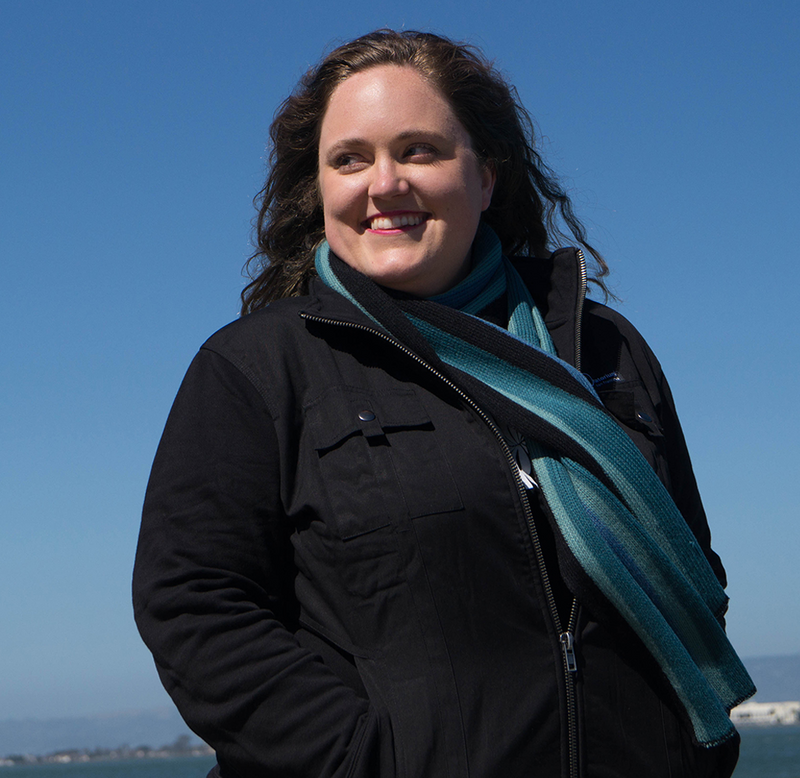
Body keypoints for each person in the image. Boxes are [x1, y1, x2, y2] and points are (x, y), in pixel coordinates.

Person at [133, 29, 754, 778]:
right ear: (320, 188)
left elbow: (689, 570)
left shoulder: (604, 348)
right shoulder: (258, 367)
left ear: (485, 178)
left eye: (418, 150)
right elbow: (194, 605)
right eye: (349, 159)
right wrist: (364, 762)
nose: (384, 183)